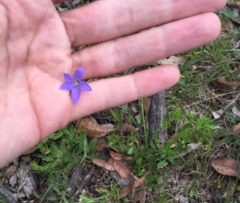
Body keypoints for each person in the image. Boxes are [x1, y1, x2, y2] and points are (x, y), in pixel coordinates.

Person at [0, 0, 227, 168]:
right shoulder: (71, 84)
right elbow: (72, 84)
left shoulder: (76, 85)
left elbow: (77, 84)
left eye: (79, 82)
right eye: (77, 82)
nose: (78, 83)